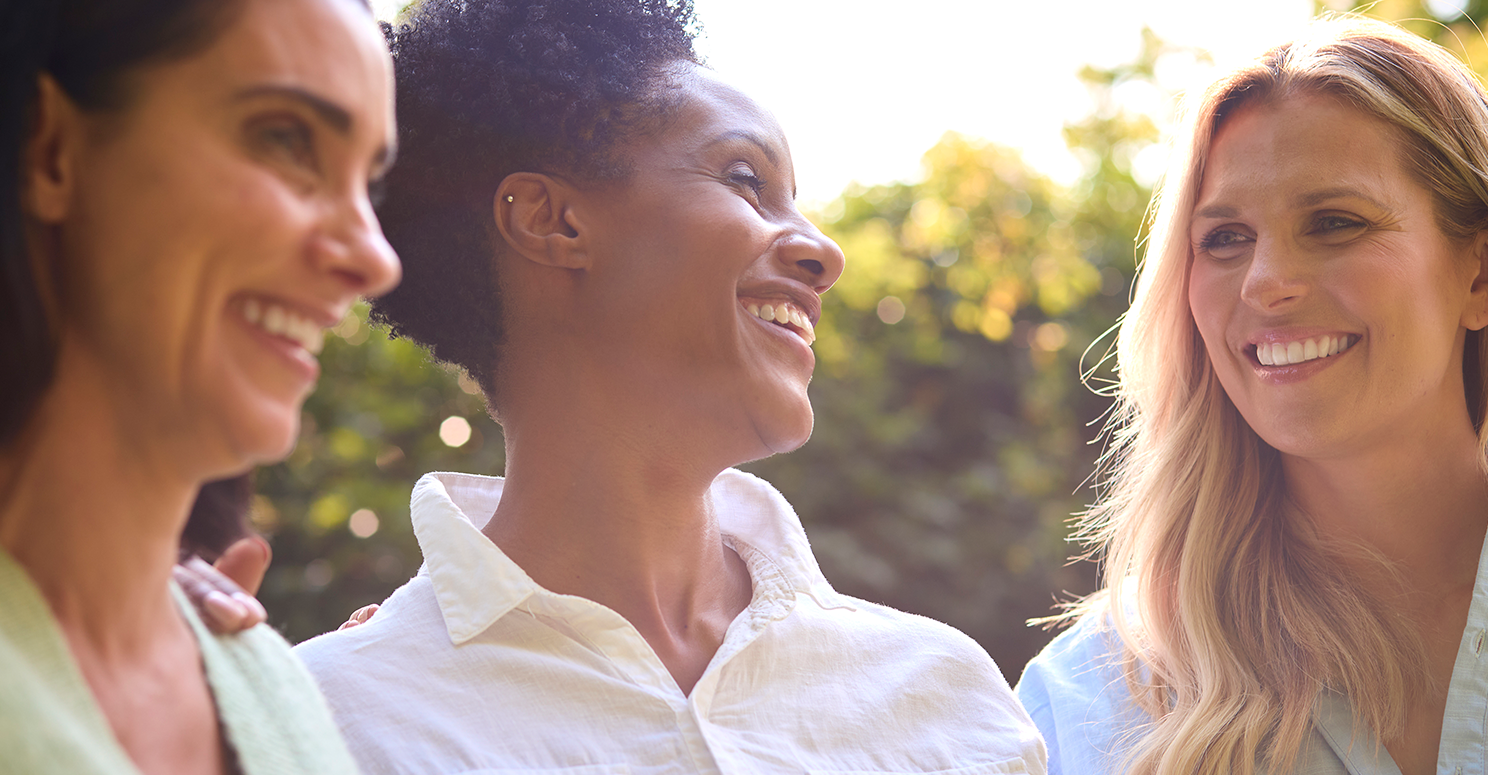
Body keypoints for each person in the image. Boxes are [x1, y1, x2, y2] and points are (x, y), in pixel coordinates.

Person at [292, 0, 1047, 772]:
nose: (824, 251)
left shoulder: (947, 701)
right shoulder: (325, 726)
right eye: (746, 179)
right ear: (553, 221)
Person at [1016, 16, 1488, 775]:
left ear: (1482, 275)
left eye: (1335, 223)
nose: (1266, 281)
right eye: (1225, 239)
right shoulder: (1084, 701)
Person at [0, 0, 401, 771]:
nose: (375, 259)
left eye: (370, 187)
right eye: (286, 139)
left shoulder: (277, 688)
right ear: (49, 149)